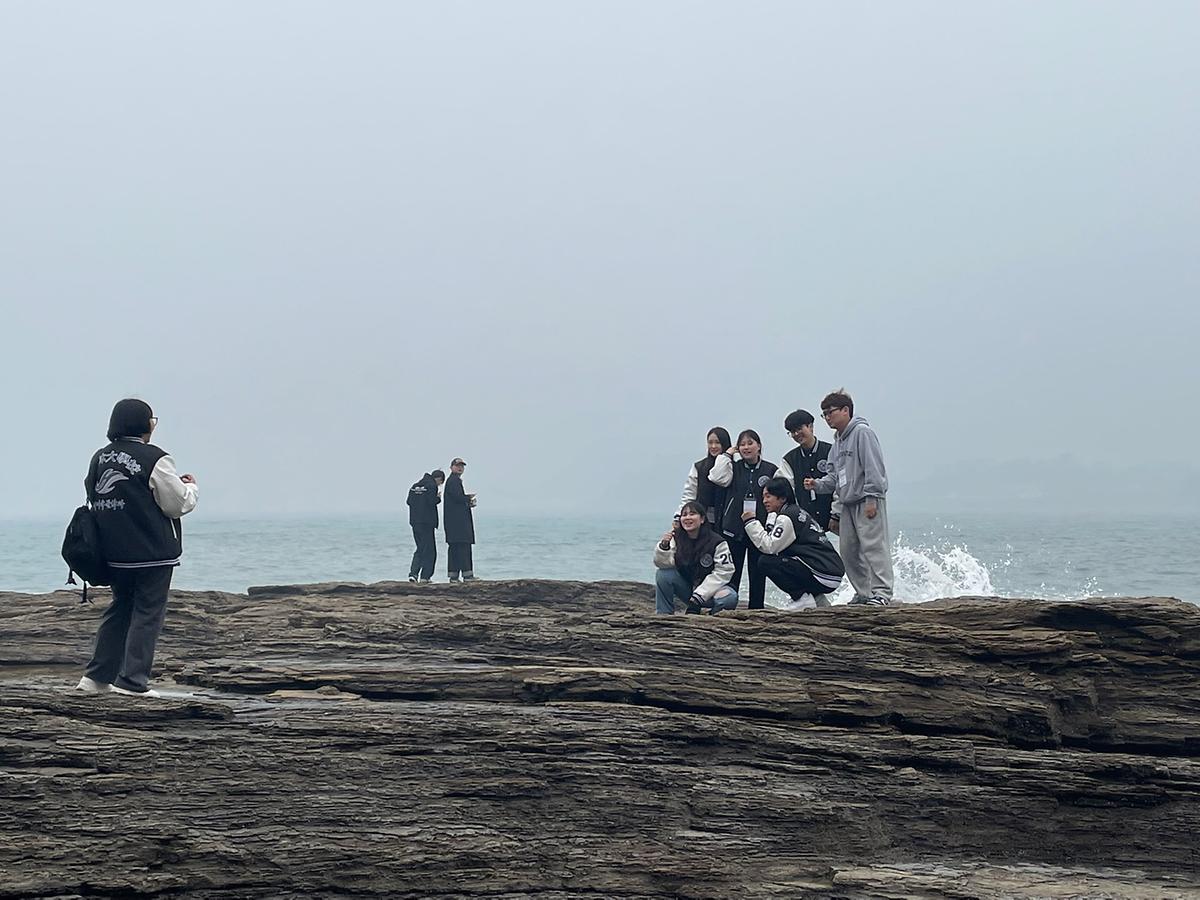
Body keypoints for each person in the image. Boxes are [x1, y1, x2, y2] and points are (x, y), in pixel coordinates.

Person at [75, 399, 199, 698]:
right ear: (145, 424)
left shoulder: (100, 457)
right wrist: (191, 488)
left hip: (113, 552)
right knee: (147, 613)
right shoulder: (155, 457)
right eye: (152, 419)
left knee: (120, 609)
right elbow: (176, 504)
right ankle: (132, 681)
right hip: (152, 553)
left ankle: (96, 678)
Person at [805, 390, 894, 605]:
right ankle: (865, 593)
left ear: (846, 410)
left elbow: (874, 467)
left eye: (830, 412)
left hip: (866, 500)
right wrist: (817, 485)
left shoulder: (862, 433)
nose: (827, 418)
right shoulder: (838, 441)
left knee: (873, 547)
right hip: (847, 503)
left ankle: (882, 593)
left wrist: (872, 498)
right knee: (849, 551)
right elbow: (834, 477)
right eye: (824, 414)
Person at [744, 477, 845, 608]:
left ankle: (801, 598)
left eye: (768, 496)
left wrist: (750, 522)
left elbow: (769, 546)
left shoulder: (787, 517)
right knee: (783, 556)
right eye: (763, 497)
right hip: (830, 572)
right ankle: (817, 600)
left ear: (782, 498)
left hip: (823, 575)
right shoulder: (796, 511)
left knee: (766, 561)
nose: (764, 501)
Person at [718, 429, 777, 610]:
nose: (746, 447)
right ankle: (726, 608)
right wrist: (728, 454)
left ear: (759, 446)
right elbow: (716, 477)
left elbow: (778, 499)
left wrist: (771, 524)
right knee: (731, 572)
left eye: (750, 443)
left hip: (759, 529)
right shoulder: (733, 468)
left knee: (757, 571)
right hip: (733, 528)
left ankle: (756, 611)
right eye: (742, 444)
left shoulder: (771, 470)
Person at [654, 500, 738, 615]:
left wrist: (699, 596)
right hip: (689, 590)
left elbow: (724, 571)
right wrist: (664, 546)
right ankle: (664, 614)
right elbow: (663, 564)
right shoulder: (677, 538)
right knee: (663, 574)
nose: (687, 518)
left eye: (692, 514)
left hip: (712, 591)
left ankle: (712, 617)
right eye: (684, 515)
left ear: (702, 519)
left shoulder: (717, 542)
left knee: (729, 597)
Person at [777, 409, 836, 530]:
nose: (796, 434)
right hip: (805, 525)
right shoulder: (789, 459)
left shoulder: (831, 451)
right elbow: (785, 490)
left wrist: (836, 515)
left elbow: (839, 485)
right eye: (792, 432)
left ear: (810, 426)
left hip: (834, 520)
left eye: (799, 429)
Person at [678, 427, 733, 526]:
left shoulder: (733, 467)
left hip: (727, 522)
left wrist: (726, 456)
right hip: (703, 522)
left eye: (717, 442)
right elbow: (689, 495)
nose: (713, 446)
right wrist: (679, 516)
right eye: (710, 442)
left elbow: (717, 477)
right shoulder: (699, 467)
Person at [407, 469, 445, 583]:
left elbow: (409, 501)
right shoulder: (432, 486)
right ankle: (425, 576)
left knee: (420, 548)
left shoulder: (415, 486)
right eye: (440, 483)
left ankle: (413, 574)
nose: (439, 485)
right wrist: (438, 498)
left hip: (415, 522)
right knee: (430, 551)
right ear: (439, 479)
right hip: (427, 523)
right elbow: (431, 501)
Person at [443, 457, 477, 583]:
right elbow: (457, 497)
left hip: (453, 522)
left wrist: (467, 501)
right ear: (451, 467)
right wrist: (468, 499)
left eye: (462, 466)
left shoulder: (453, 481)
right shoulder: (454, 481)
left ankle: (454, 576)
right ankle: (467, 575)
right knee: (463, 547)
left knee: (455, 548)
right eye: (457, 466)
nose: (460, 468)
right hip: (458, 523)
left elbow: (456, 499)